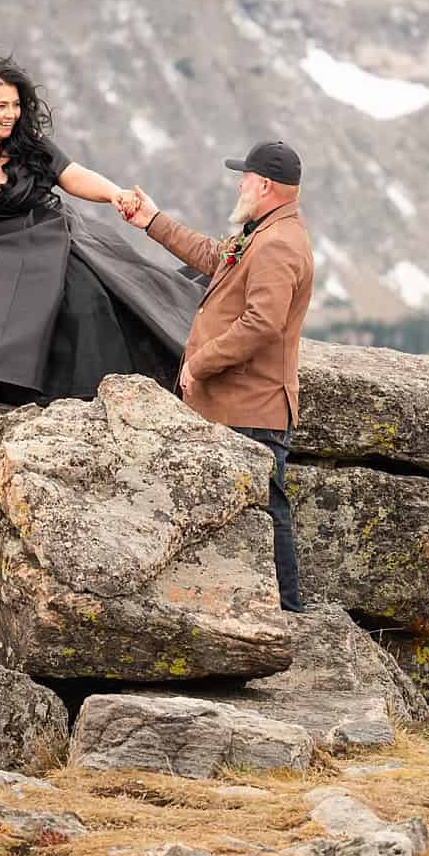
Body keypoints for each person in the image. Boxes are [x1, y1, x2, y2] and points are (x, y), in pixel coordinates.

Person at [0, 51, 203, 403]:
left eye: (15, 105)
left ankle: (99, 390)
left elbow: (72, 175)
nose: (11, 114)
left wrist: (114, 194)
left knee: (91, 295)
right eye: (1, 106)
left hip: (50, 233)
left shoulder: (29, 142)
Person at [118, 141, 314, 613]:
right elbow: (213, 256)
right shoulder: (263, 232)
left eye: (244, 177)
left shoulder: (279, 244)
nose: (239, 183)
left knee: (268, 510)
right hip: (236, 403)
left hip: (251, 407)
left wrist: (200, 362)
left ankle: (288, 611)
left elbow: (262, 323)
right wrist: (152, 221)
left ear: (264, 186)